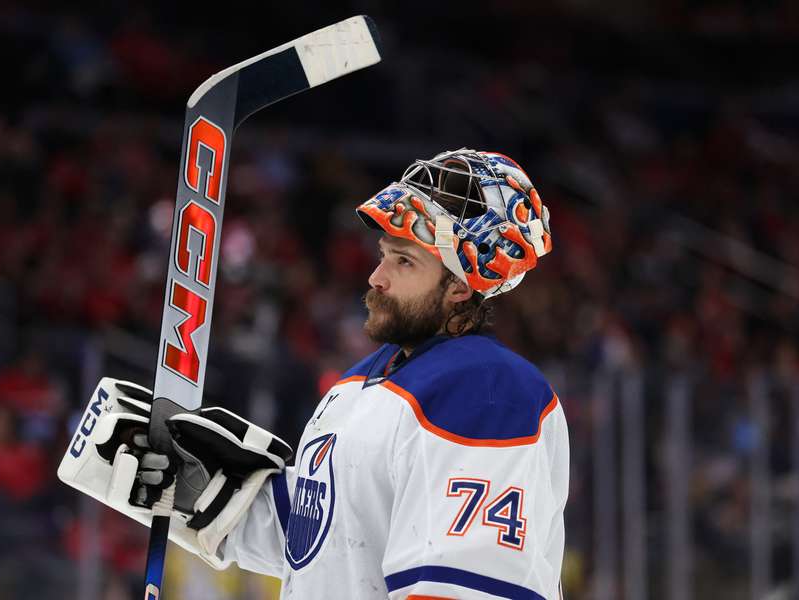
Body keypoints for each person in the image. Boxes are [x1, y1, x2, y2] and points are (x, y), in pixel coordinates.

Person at [59, 149, 568, 599]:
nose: (377, 277)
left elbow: (462, 587)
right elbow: (321, 548)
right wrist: (203, 495)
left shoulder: (486, 391)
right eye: (383, 255)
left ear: (460, 287)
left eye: (405, 262)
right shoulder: (359, 386)